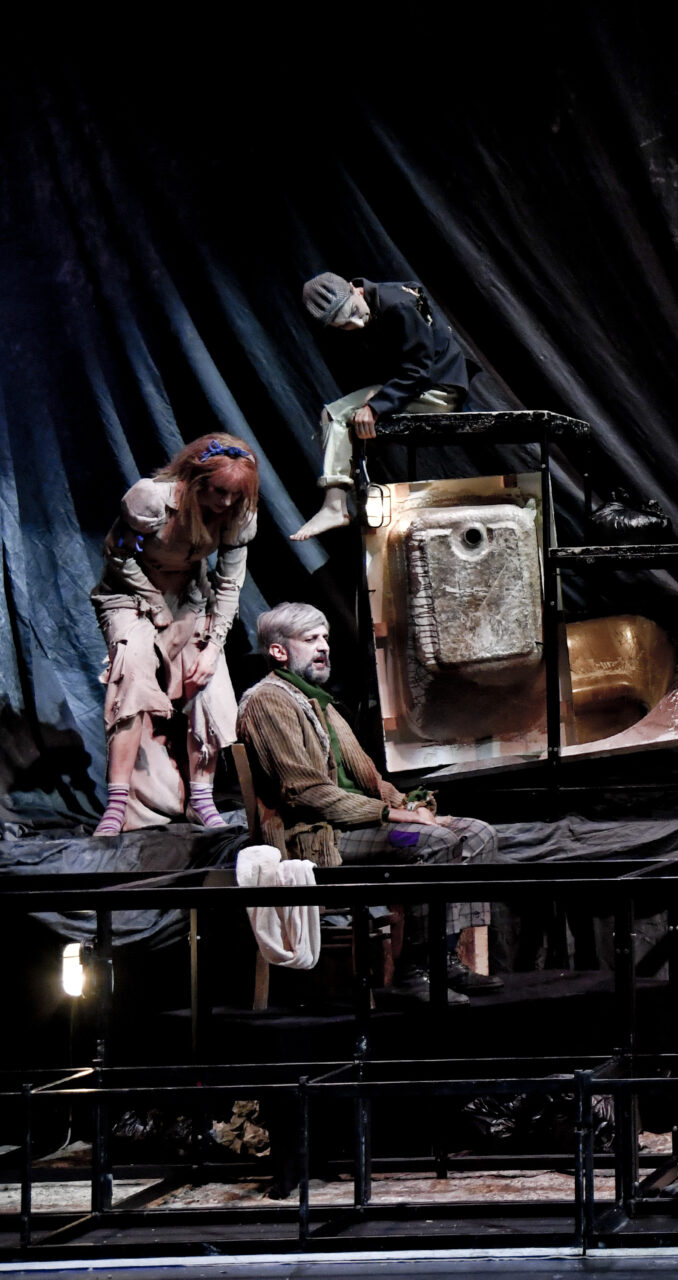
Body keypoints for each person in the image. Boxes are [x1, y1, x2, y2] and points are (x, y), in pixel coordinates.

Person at [236, 602, 501, 1002]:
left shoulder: (319, 702)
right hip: (318, 837)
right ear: (278, 651)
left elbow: (371, 780)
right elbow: (304, 793)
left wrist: (411, 807)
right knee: (432, 843)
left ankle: (442, 958)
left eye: (325, 637)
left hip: (360, 827)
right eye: (310, 639)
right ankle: (415, 970)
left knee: (478, 834)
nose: (323, 646)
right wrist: (392, 815)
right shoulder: (267, 702)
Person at [91, 433, 260, 837]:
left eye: (235, 495)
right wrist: (154, 604)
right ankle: (117, 806)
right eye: (219, 491)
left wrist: (213, 648)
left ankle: (201, 799)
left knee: (210, 685)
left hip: (188, 597)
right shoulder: (151, 499)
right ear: (195, 477)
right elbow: (117, 555)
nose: (226, 503)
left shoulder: (239, 513)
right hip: (130, 595)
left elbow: (229, 585)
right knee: (131, 674)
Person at [292, 272, 476, 541]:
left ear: (355, 290)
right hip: (416, 386)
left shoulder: (397, 304)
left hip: (437, 391)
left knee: (335, 416)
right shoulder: (375, 305)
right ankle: (352, 504)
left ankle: (334, 507)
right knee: (336, 420)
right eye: (345, 325)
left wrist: (375, 407)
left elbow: (418, 370)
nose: (357, 323)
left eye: (354, 312)